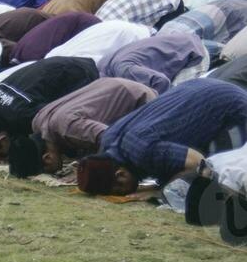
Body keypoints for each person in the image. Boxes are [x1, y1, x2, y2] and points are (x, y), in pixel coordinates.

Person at [78, 79, 247, 196]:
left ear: (120, 175)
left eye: (118, 190)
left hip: (232, 107)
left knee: (223, 173)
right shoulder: (109, 140)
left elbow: (199, 163)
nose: (123, 193)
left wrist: (161, 191)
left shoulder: (143, 151)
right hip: (201, 88)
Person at [8, 77, 158, 178]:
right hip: (112, 84)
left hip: (140, 99)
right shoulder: (38, 122)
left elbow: (111, 137)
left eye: (48, 170)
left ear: (47, 158)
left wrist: (85, 171)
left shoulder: (69, 129)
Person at [0, 56, 100, 158]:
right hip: (58, 63)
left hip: (78, 73)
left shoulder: (21, 115)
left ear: (2, 139)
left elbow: (56, 121)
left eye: (2, 153)